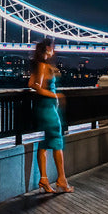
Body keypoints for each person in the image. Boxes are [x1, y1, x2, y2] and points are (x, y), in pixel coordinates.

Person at [29, 37, 73, 193]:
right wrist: (55, 96)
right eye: (53, 47)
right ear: (48, 49)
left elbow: (31, 83)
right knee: (57, 142)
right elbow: (36, 86)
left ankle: (44, 180)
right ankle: (62, 180)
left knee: (43, 144)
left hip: (42, 109)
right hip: (48, 110)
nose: (54, 50)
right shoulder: (43, 66)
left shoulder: (40, 65)